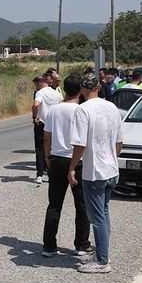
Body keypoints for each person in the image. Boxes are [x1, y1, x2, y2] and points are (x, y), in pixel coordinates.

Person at [68, 72, 123, 274]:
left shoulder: (82, 110)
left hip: (94, 171)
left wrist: (72, 167)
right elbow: (119, 142)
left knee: (97, 217)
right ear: (98, 87)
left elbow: (80, 144)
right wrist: (111, 157)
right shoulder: (112, 107)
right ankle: (102, 252)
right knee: (104, 213)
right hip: (111, 169)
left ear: (82, 89)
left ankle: (102, 261)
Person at [41, 74, 92, 258]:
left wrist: (48, 156)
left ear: (64, 89)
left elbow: (47, 136)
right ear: (80, 90)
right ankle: (81, 244)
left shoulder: (54, 110)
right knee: (82, 205)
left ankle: (49, 246)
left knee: (54, 204)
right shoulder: (81, 110)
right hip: (76, 160)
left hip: (56, 159)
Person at [32, 75, 62, 184]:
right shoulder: (56, 93)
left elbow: (36, 105)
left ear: (39, 83)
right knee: (52, 150)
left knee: (40, 150)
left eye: (35, 85)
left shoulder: (40, 93)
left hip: (42, 123)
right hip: (54, 124)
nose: (35, 87)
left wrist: (34, 117)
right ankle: (51, 174)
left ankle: (39, 174)